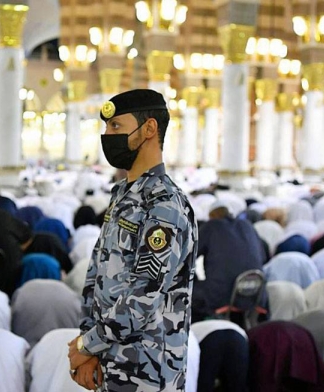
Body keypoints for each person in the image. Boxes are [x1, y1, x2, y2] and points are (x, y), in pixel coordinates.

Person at [67, 89, 198, 391]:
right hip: (109, 365)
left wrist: (87, 345)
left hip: (146, 373)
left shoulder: (164, 206)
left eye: (116, 127)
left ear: (149, 129)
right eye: (106, 127)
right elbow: (96, 275)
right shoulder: (124, 195)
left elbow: (142, 298)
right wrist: (90, 346)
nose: (107, 136)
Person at [192, 200, 267, 322]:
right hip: (256, 293)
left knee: (188, 291)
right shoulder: (247, 225)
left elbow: (189, 256)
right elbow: (262, 257)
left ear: (211, 216)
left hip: (221, 297)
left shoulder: (211, 226)